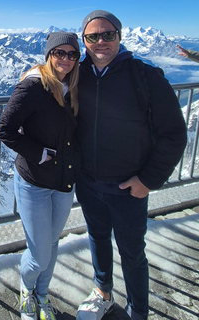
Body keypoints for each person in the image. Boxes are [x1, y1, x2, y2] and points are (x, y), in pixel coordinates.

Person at [75, 10, 187, 320]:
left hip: (129, 188)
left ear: (119, 37)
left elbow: (174, 134)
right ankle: (103, 292)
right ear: (84, 41)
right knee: (97, 239)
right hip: (88, 184)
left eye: (107, 35)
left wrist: (149, 180)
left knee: (132, 254)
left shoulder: (145, 75)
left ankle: (138, 311)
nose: (101, 42)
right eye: (93, 36)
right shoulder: (77, 74)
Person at [0, 31, 81, 320]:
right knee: (40, 252)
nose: (66, 59)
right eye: (60, 53)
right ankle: (26, 290)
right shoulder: (34, 86)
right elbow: (5, 130)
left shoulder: (75, 85)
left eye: (72, 54)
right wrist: (41, 154)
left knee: (53, 243)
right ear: (49, 55)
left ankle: (42, 296)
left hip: (64, 182)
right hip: (34, 182)